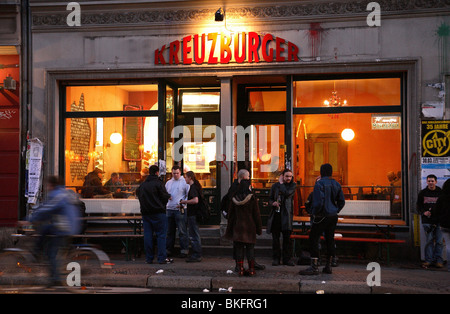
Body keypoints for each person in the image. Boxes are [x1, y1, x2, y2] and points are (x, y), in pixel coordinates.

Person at [20, 176, 81, 287]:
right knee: (46, 231)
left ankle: (54, 277)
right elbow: (45, 208)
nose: (47, 187)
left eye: (48, 185)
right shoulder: (65, 192)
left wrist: (29, 221)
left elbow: (46, 209)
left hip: (64, 227)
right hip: (70, 225)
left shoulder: (57, 194)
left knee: (51, 252)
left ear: (52, 185)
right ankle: (39, 253)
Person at [299, 163, 345, 275]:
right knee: (330, 239)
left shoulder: (319, 184)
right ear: (331, 172)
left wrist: (314, 212)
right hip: (332, 216)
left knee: (313, 238)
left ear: (321, 172)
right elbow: (342, 201)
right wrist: (335, 210)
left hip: (321, 216)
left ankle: (314, 266)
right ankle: (328, 266)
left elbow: (318, 202)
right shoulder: (336, 184)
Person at [224, 179, 262, 276]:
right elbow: (256, 215)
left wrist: (230, 229)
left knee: (239, 249)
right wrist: (259, 229)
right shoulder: (252, 198)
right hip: (250, 227)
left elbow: (231, 216)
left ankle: (240, 268)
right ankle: (251, 269)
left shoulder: (234, 198)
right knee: (250, 249)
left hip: (238, 227)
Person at [136, 165, 173, 264]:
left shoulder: (143, 185)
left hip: (146, 213)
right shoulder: (159, 183)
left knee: (147, 235)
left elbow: (138, 195)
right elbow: (164, 196)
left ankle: (149, 258)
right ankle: (161, 258)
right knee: (161, 235)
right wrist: (163, 203)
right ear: (157, 172)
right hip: (158, 212)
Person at [267, 169, 297, 266]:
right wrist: (273, 203)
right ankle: (276, 258)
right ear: (282, 176)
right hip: (276, 215)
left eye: (290, 176)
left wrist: (281, 183)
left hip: (286, 215)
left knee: (287, 239)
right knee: (275, 239)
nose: (289, 178)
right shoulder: (275, 186)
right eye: (287, 176)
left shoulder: (292, 185)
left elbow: (287, 193)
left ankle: (286, 259)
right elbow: (270, 199)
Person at [417, 174, 444, 269]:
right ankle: (428, 260)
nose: (431, 183)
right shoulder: (422, 193)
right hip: (427, 221)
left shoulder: (441, 192)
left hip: (439, 221)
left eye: (432, 181)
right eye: (429, 181)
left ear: (436, 182)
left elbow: (444, 206)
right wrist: (424, 212)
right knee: (429, 241)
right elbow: (418, 206)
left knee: (439, 242)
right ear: (426, 182)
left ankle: (439, 261)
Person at [165, 165, 190, 258]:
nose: (175, 175)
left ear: (180, 173)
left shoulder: (184, 183)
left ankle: (184, 250)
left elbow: (188, 194)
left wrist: (183, 203)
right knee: (169, 231)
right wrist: (167, 197)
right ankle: (169, 250)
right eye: (174, 173)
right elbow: (164, 193)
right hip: (169, 208)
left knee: (182, 231)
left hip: (180, 209)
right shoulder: (168, 183)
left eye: (177, 173)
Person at [180, 171, 202, 262]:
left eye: (186, 177)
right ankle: (196, 254)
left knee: (194, 235)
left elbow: (195, 200)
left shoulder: (193, 188)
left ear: (190, 178)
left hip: (193, 214)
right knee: (194, 234)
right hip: (193, 213)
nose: (185, 179)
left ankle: (196, 254)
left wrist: (185, 202)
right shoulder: (195, 187)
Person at [435, 178, 450, 271]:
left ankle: (449, 267)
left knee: (448, 246)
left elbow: (437, 211)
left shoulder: (442, 197)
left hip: (445, 224)